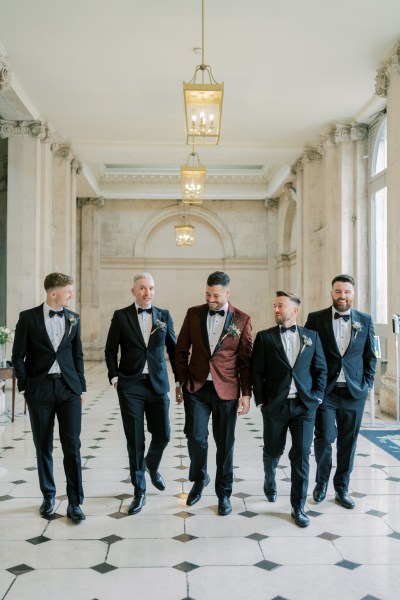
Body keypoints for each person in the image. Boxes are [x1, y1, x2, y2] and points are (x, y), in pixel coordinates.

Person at [175, 271, 252, 516]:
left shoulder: (241, 319)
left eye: (216, 295)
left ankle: (224, 494)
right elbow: (180, 351)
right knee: (195, 437)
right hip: (196, 387)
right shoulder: (193, 313)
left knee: (225, 445)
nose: (211, 299)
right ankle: (199, 479)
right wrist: (181, 381)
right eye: (208, 294)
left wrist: (246, 394)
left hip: (227, 390)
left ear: (227, 293)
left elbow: (245, 361)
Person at [12, 272, 86, 521]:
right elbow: (18, 356)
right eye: (68, 292)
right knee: (43, 444)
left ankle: (75, 501)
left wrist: (81, 388)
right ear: (54, 293)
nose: (71, 296)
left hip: (68, 390)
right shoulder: (28, 318)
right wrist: (25, 388)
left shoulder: (74, 319)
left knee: (72, 446)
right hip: (40, 390)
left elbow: (78, 356)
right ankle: (48, 495)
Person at [105, 272, 180, 515]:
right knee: (135, 440)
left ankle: (151, 465)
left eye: (151, 288)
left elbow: (175, 350)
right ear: (133, 291)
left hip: (158, 385)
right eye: (142, 288)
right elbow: (109, 349)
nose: (147, 292)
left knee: (164, 435)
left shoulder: (164, 316)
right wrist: (115, 377)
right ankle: (139, 492)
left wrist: (179, 381)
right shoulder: (121, 316)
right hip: (131, 386)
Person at [252, 291, 327, 527]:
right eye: (274, 306)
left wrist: (317, 397)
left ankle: (298, 506)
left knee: (301, 456)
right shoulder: (264, 338)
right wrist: (262, 401)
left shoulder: (311, 336)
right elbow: (257, 373)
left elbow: (321, 369)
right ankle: (269, 478)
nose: (276, 310)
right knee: (273, 451)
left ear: (294, 310)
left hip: (304, 406)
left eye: (281, 306)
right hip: (276, 405)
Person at [305, 274, 376, 509]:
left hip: (354, 392)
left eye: (346, 292)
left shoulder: (365, 320)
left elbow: (370, 356)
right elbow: (306, 354)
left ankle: (342, 488)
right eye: (338, 291)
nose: (342, 296)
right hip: (326, 392)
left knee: (348, 442)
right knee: (324, 438)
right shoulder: (316, 319)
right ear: (331, 292)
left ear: (353, 294)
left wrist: (367, 384)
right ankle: (321, 483)